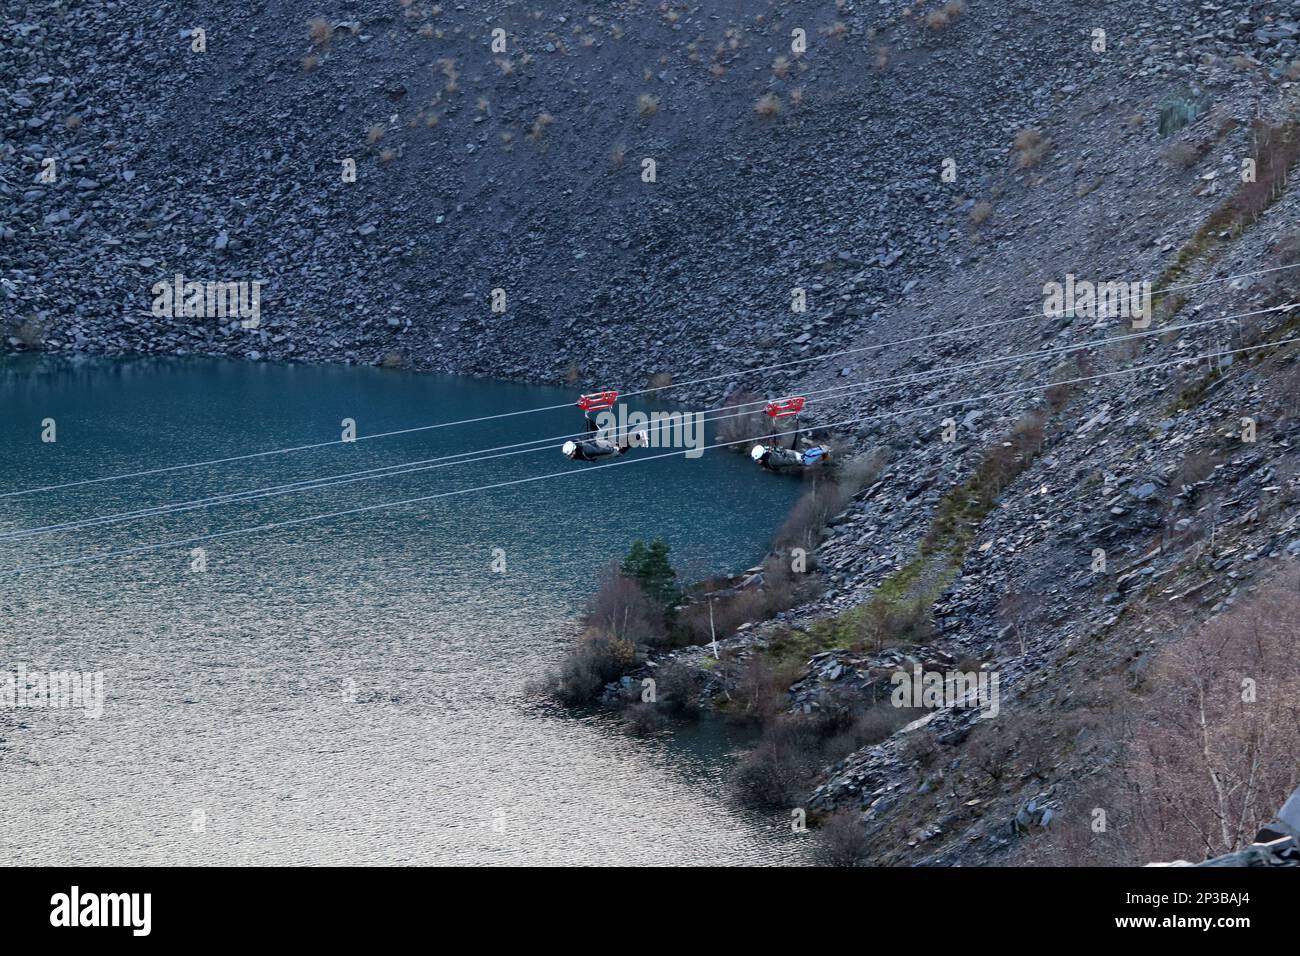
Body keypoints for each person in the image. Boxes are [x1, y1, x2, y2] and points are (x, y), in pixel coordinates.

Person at [561, 414, 648, 461]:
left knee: (621, 449)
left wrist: (613, 449)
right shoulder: (577, 445)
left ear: (574, 449)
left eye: (571, 454)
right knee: (620, 442)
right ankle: (639, 436)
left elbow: (599, 451)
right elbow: (584, 439)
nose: (571, 457)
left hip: (604, 449)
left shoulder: (587, 452)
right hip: (595, 443)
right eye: (569, 455)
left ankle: (639, 436)